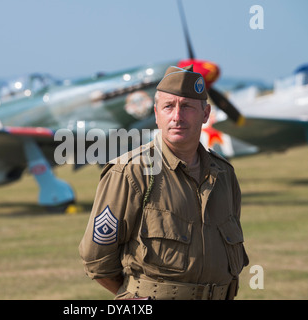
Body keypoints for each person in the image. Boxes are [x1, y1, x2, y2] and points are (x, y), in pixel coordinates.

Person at [79, 65, 249, 300]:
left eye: (187, 106)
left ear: (206, 114)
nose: (177, 116)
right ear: (157, 115)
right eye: (168, 107)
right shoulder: (131, 171)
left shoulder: (224, 174)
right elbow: (96, 259)